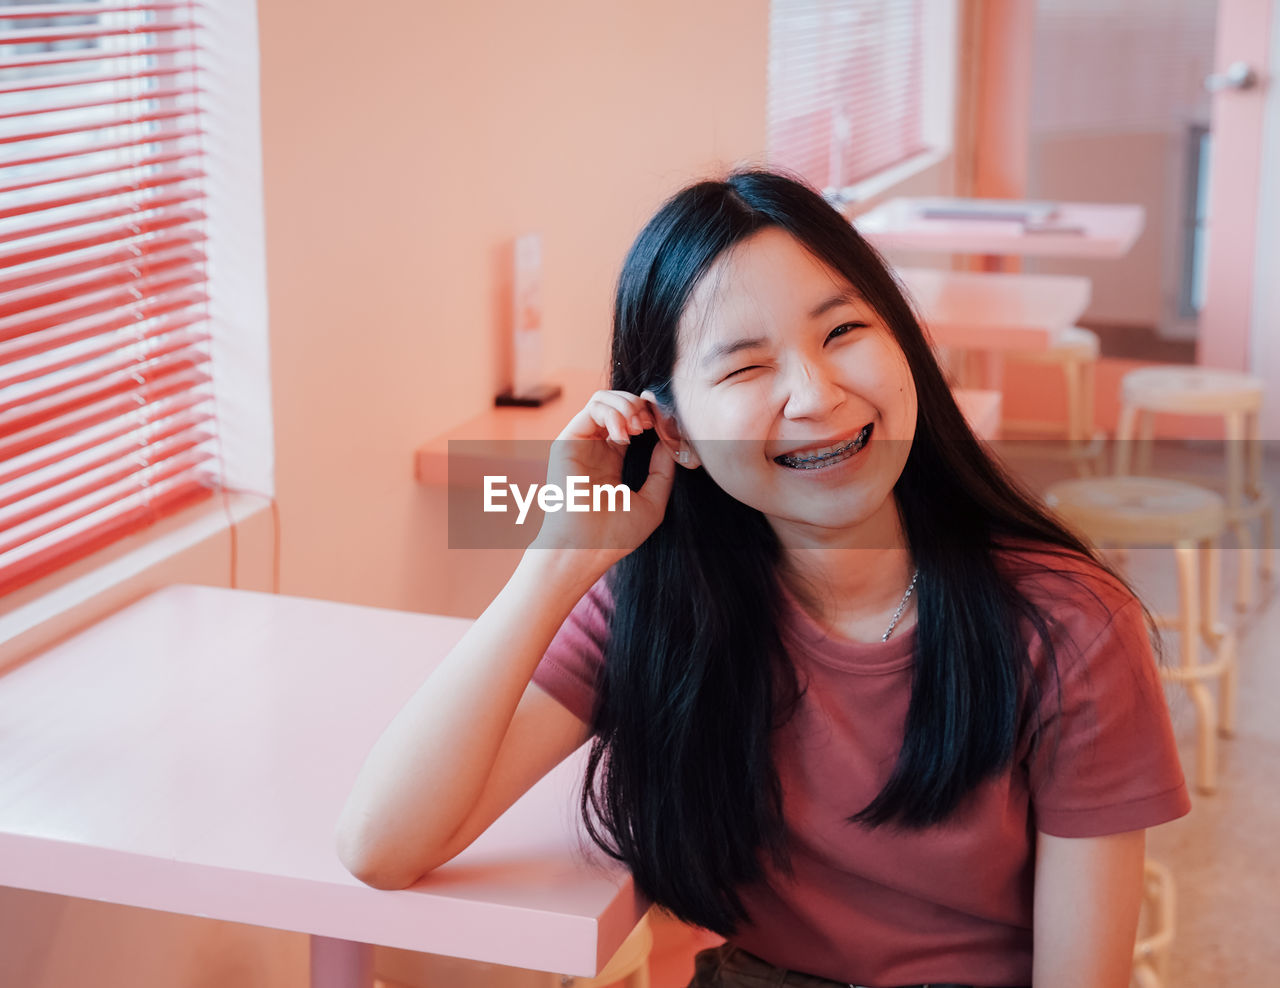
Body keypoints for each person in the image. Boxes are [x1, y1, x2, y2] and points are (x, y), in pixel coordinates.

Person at [336, 170, 1191, 988]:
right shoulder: (662, 601)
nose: (814, 395)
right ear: (675, 431)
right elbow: (383, 844)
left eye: (844, 332)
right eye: (744, 367)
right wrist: (558, 556)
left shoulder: (1068, 623)